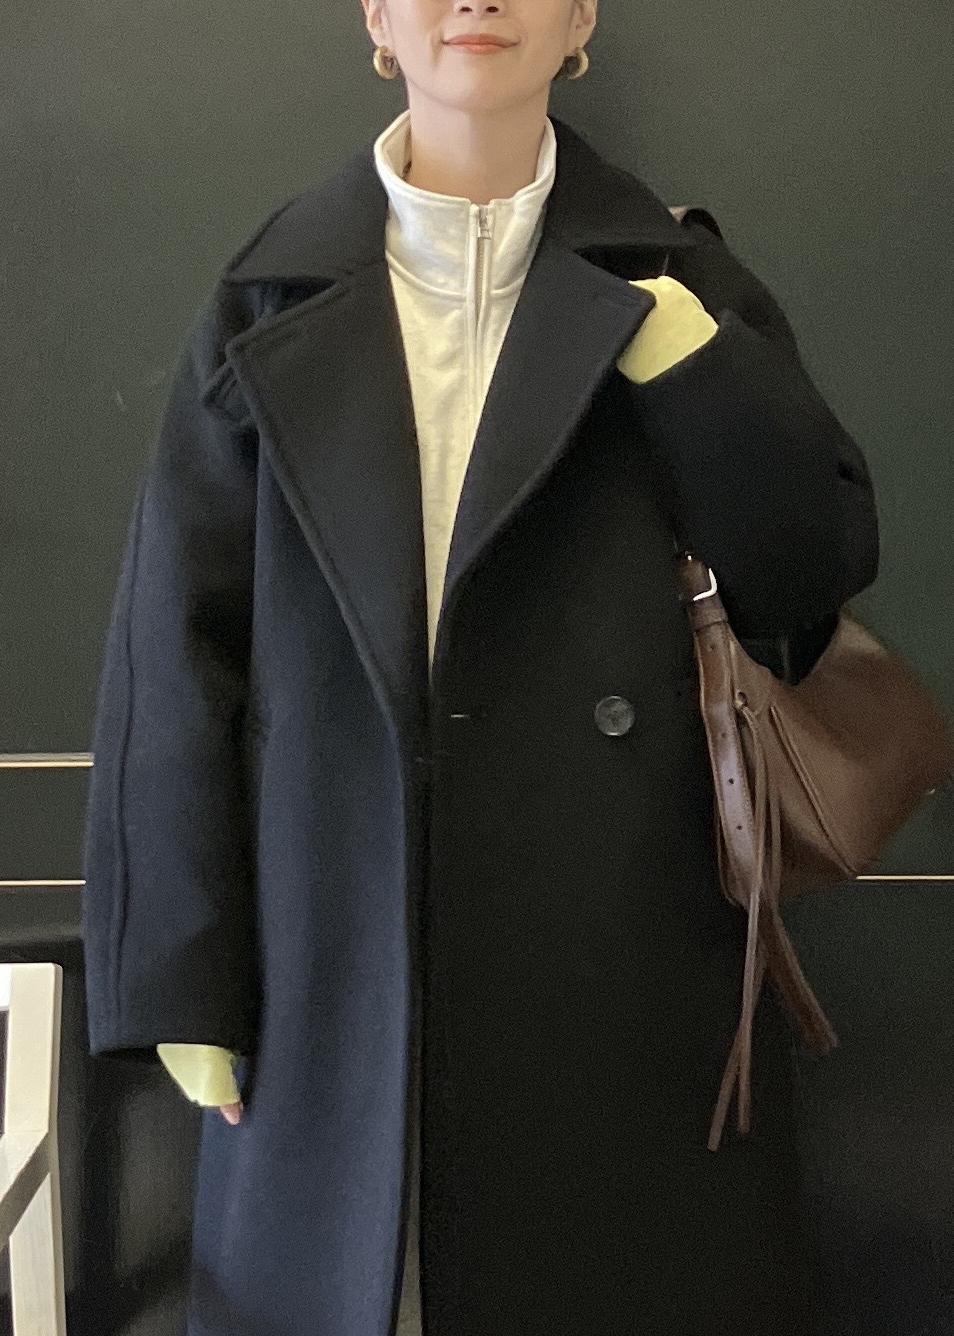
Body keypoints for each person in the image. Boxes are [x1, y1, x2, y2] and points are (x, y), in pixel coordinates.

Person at [81, 2, 879, 1334]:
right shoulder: (267, 297)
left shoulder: (679, 277)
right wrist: (180, 974)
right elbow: (175, 640)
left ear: (579, 21)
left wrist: (693, 369)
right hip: (332, 939)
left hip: (625, 926)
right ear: (377, 21)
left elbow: (809, 574)